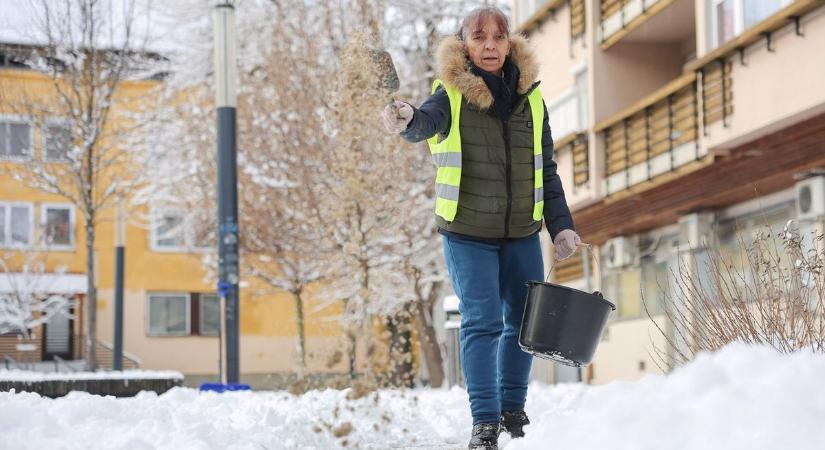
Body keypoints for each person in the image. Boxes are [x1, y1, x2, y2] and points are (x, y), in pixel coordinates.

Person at [382, 6, 580, 450]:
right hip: (468, 231)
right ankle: (485, 421)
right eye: (479, 37)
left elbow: (546, 169)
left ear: (509, 43)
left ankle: (513, 410)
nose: (490, 45)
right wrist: (407, 119)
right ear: (465, 44)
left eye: (498, 36)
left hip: (522, 232)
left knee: (524, 323)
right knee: (483, 322)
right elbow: (424, 122)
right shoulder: (449, 94)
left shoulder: (532, 99)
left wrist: (561, 226)